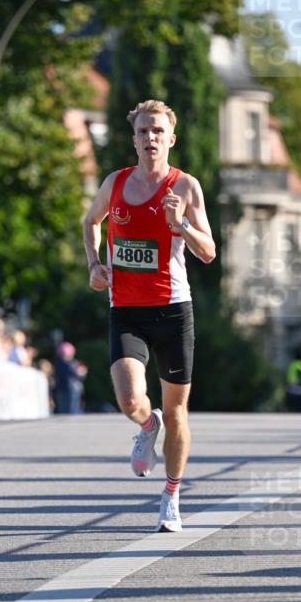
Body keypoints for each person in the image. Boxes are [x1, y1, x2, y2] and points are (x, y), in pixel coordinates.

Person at [82, 98, 215, 532]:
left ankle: (171, 497)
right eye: (143, 132)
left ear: (170, 139)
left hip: (174, 310)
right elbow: (91, 221)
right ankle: (146, 422)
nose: (150, 138)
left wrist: (183, 225)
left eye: (157, 131)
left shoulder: (186, 187)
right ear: (133, 139)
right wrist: (94, 263)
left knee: (178, 413)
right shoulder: (116, 182)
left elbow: (209, 253)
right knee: (129, 399)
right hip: (127, 309)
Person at [54, 341, 87, 414]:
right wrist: (83, 371)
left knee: (62, 410)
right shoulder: (72, 363)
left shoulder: (57, 362)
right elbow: (79, 374)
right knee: (72, 410)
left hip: (60, 388)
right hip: (72, 388)